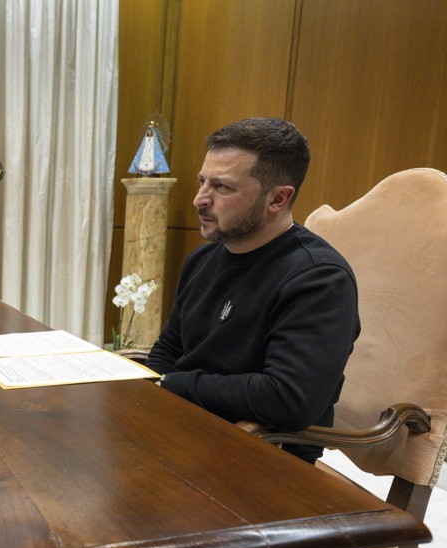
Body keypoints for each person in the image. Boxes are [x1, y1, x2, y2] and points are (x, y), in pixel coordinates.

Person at [146, 117, 359, 464]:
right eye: (203, 182)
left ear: (278, 198)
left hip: (265, 461)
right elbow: (167, 351)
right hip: (184, 435)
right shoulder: (203, 258)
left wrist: (174, 384)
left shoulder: (319, 280)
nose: (200, 199)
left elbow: (287, 399)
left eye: (222, 188)